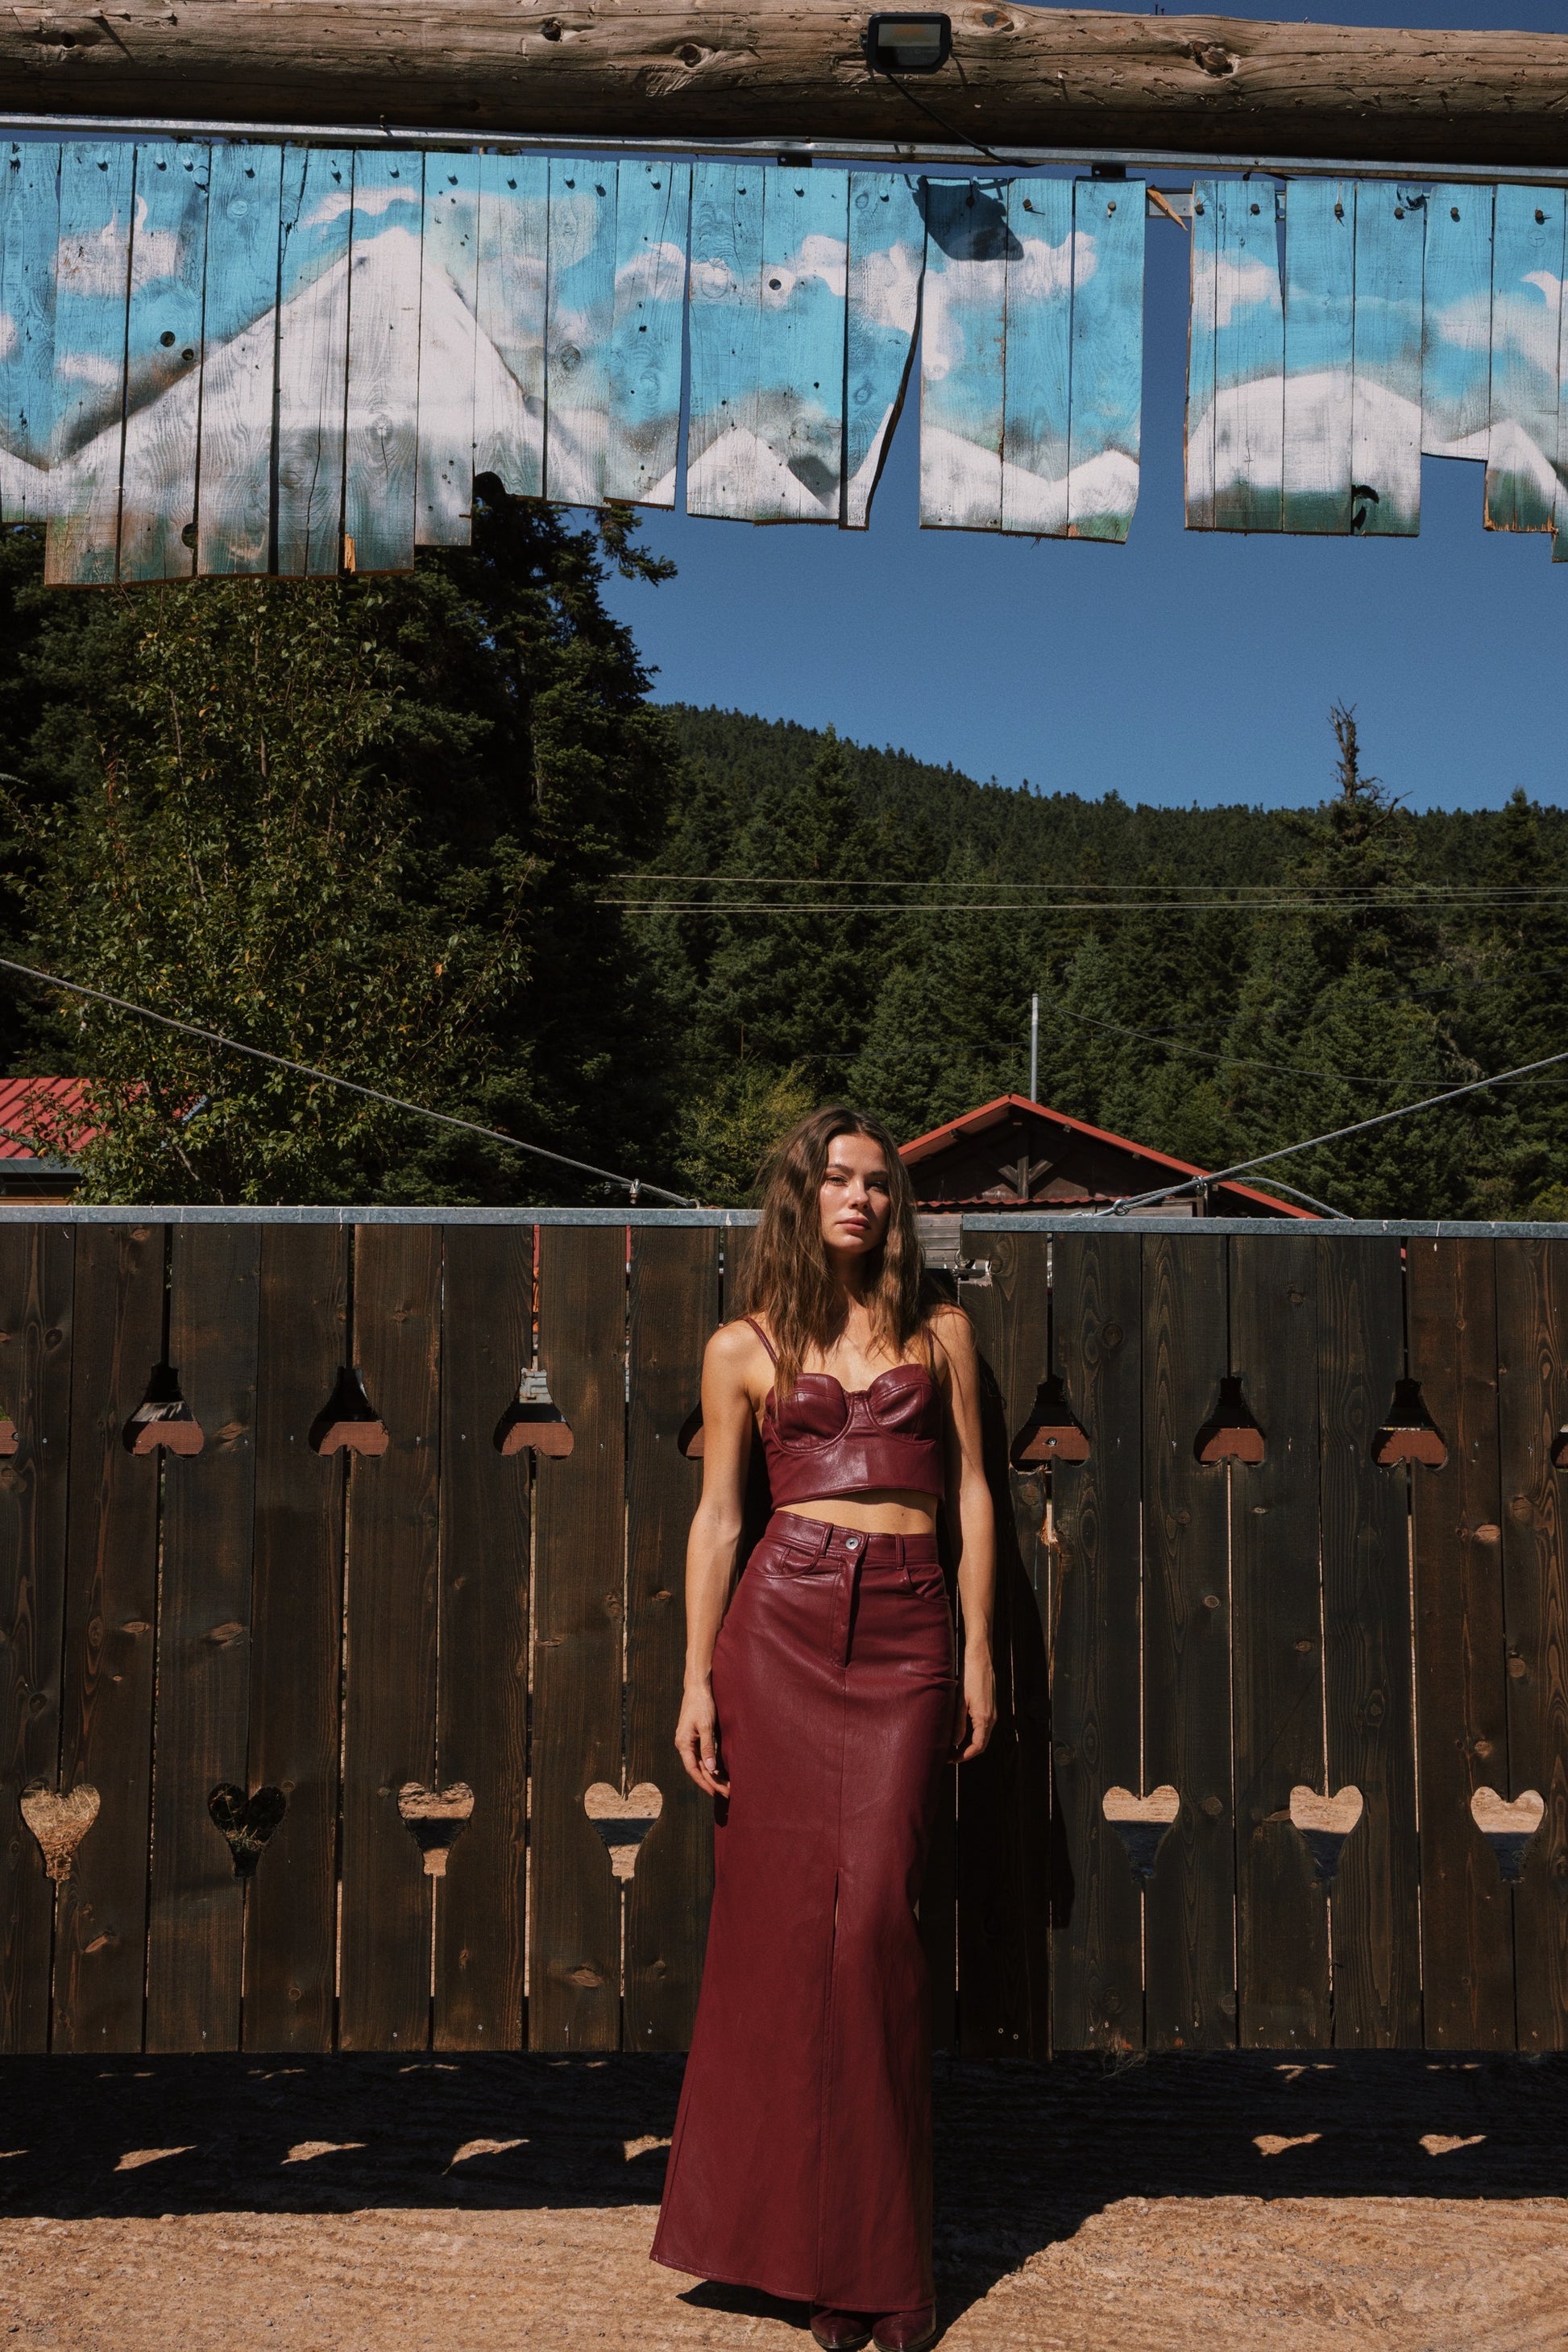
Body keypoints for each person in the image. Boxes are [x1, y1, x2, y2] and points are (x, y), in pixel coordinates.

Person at [651, 1106, 997, 2352]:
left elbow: (970, 1491)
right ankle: (807, 2258)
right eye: (837, 1180)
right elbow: (717, 1520)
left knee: (876, 1934)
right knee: (787, 1943)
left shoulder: (940, 1333)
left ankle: (874, 2260)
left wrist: (977, 1652)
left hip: (905, 1634)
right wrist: (695, 1680)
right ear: (798, 1199)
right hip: (780, 1634)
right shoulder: (740, 1347)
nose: (860, 1198)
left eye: (878, 1183)